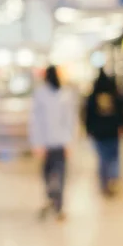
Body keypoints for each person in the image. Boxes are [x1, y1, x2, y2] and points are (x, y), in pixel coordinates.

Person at [29, 65, 76, 221]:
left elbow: (69, 120)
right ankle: (51, 197)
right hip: (47, 142)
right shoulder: (41, 94)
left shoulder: (64, 94)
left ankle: (58, 204)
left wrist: (69, 141)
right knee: (49, 173)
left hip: (58, 142)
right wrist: (37, 143)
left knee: (59, 173)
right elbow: (36, 121)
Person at [84, 71, 123, 197]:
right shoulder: (114, 95)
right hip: (112, 132)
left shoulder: (92, 97)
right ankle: (112, 178)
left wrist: (88, 130)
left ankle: (104, 183)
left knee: (102, 159)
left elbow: (88, 115)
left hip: (99, 133)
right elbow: (121, 112)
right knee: (113, 158)